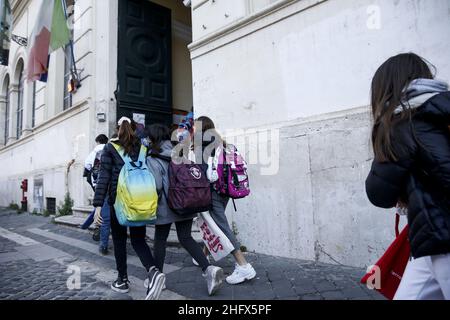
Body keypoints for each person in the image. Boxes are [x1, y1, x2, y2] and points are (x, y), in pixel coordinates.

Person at [365, 53, 450, 300]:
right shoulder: (440, 108)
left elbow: (378, 193)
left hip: (442, 236)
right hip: (431, 237)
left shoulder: (403, 121)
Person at [146, 124, 224, 296]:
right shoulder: (179, 152)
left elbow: (158, 186)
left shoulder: (152, 158)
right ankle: (208, 269)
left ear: (152, 139)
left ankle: (158, 278)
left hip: (166, 206)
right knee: (186, 238)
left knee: (160, 240)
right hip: (187, 202)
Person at [93, 117, 165, 300]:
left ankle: (122, 280)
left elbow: (103, 178)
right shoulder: (142, 148)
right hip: (139, 200)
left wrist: (97, 206)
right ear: (135, 128)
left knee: (118, 241)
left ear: (117, 129)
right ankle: (153, 271)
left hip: (118, 202)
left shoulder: (110, 148)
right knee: (138, 240)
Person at [193, 116, 257, 285]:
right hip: (226, 190)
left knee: (221, 226)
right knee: (214, 223)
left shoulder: (202, 146)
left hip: (213, 191)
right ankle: (204, 254)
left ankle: (243, 265)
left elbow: (201, 173)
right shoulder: (223, 143)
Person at [81, 134, 110, 255]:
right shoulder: (110, 148)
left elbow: (87, 165)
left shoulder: (94, 151)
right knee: (103, 207)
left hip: (98, 183)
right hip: (110, 183)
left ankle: (90, 227)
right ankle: (87, 225)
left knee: (101, 208)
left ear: (98, 141)